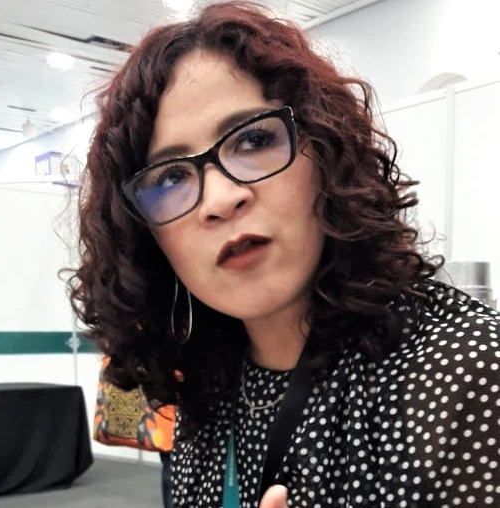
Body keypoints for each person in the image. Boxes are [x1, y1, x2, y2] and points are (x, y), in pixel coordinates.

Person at [68, 2, 500, 507]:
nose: (220, 199)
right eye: (171, 177)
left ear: (326, 153)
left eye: (253, 140)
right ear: (147, 236)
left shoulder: (463, 369)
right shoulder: (208, 385)